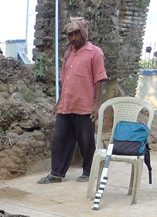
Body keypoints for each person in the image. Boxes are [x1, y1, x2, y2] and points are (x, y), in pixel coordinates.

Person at [38, 16, 108, 184]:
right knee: (59, 139)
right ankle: (56, 173)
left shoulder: (95, 52)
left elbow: (99, 79)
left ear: (83, 33)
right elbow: (64, 80)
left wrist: (96, 105)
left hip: (85, 105)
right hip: (66, 105)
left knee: (86, 141)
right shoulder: (68, 53)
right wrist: (58, 102)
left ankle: (88, 171)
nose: (73, 38)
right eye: (70, 35)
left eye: (76, 34)